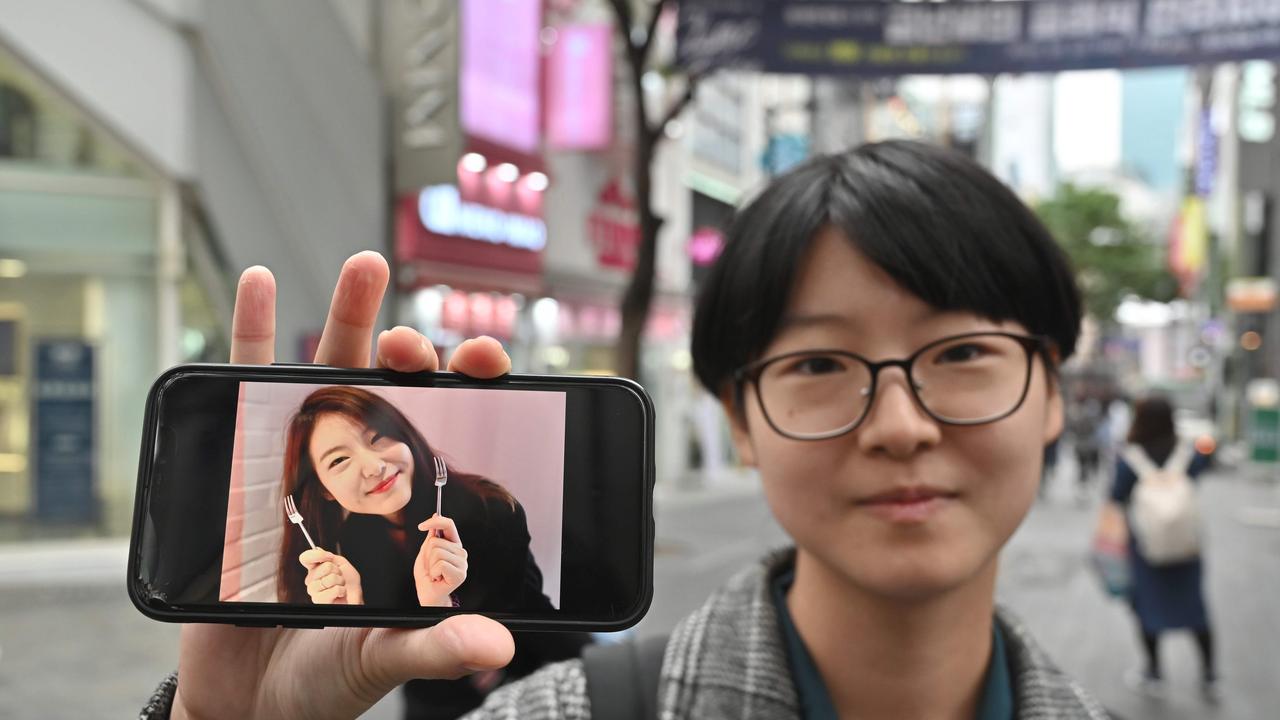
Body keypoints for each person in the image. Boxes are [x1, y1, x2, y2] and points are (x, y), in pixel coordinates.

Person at [143, 140, 1113, 719]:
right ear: (737, 417)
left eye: (960, 355)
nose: (898, 426)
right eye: (819, 364)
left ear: (1052, 391)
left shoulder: (480, 505)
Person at [277, 385, 549, 612]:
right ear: (323, 489)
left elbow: (509, 634)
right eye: (339, 460)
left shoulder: (493, 511)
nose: (374, 467)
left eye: (379, 437)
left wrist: (443, 602)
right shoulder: (356, 535)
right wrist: (351, 613)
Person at [1107, 394, 1217, 700]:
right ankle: (1209, 675)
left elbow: (1116, 496)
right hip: (1186, 547)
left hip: (1145, 548)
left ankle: (1154, 672)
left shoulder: (1130, 457)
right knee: (1196, 609)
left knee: (1147, 609)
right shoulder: (1185, 453)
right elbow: (1199, 473)